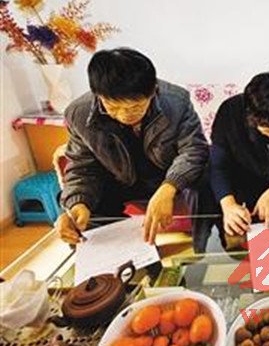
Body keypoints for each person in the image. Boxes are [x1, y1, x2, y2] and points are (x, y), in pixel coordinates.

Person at [56, 48, 209, 245]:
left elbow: (193, 150)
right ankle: (120, 258)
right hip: (120, 181)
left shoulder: (177, 101)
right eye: (113, 107)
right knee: (84, 214)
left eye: (136, 107)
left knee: (203, 179)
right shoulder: (79, 113)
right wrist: (78, 203)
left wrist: (169, 186)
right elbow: (82, 167)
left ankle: (202, 248)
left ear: (153, 91)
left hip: (167, 176)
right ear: (98, 95)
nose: (124, 115)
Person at [199, 69, 269, 243]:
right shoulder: (230, 112)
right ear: (251, 116)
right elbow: (218, 165)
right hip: (239, 188)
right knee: (231, 243)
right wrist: (228, 204)